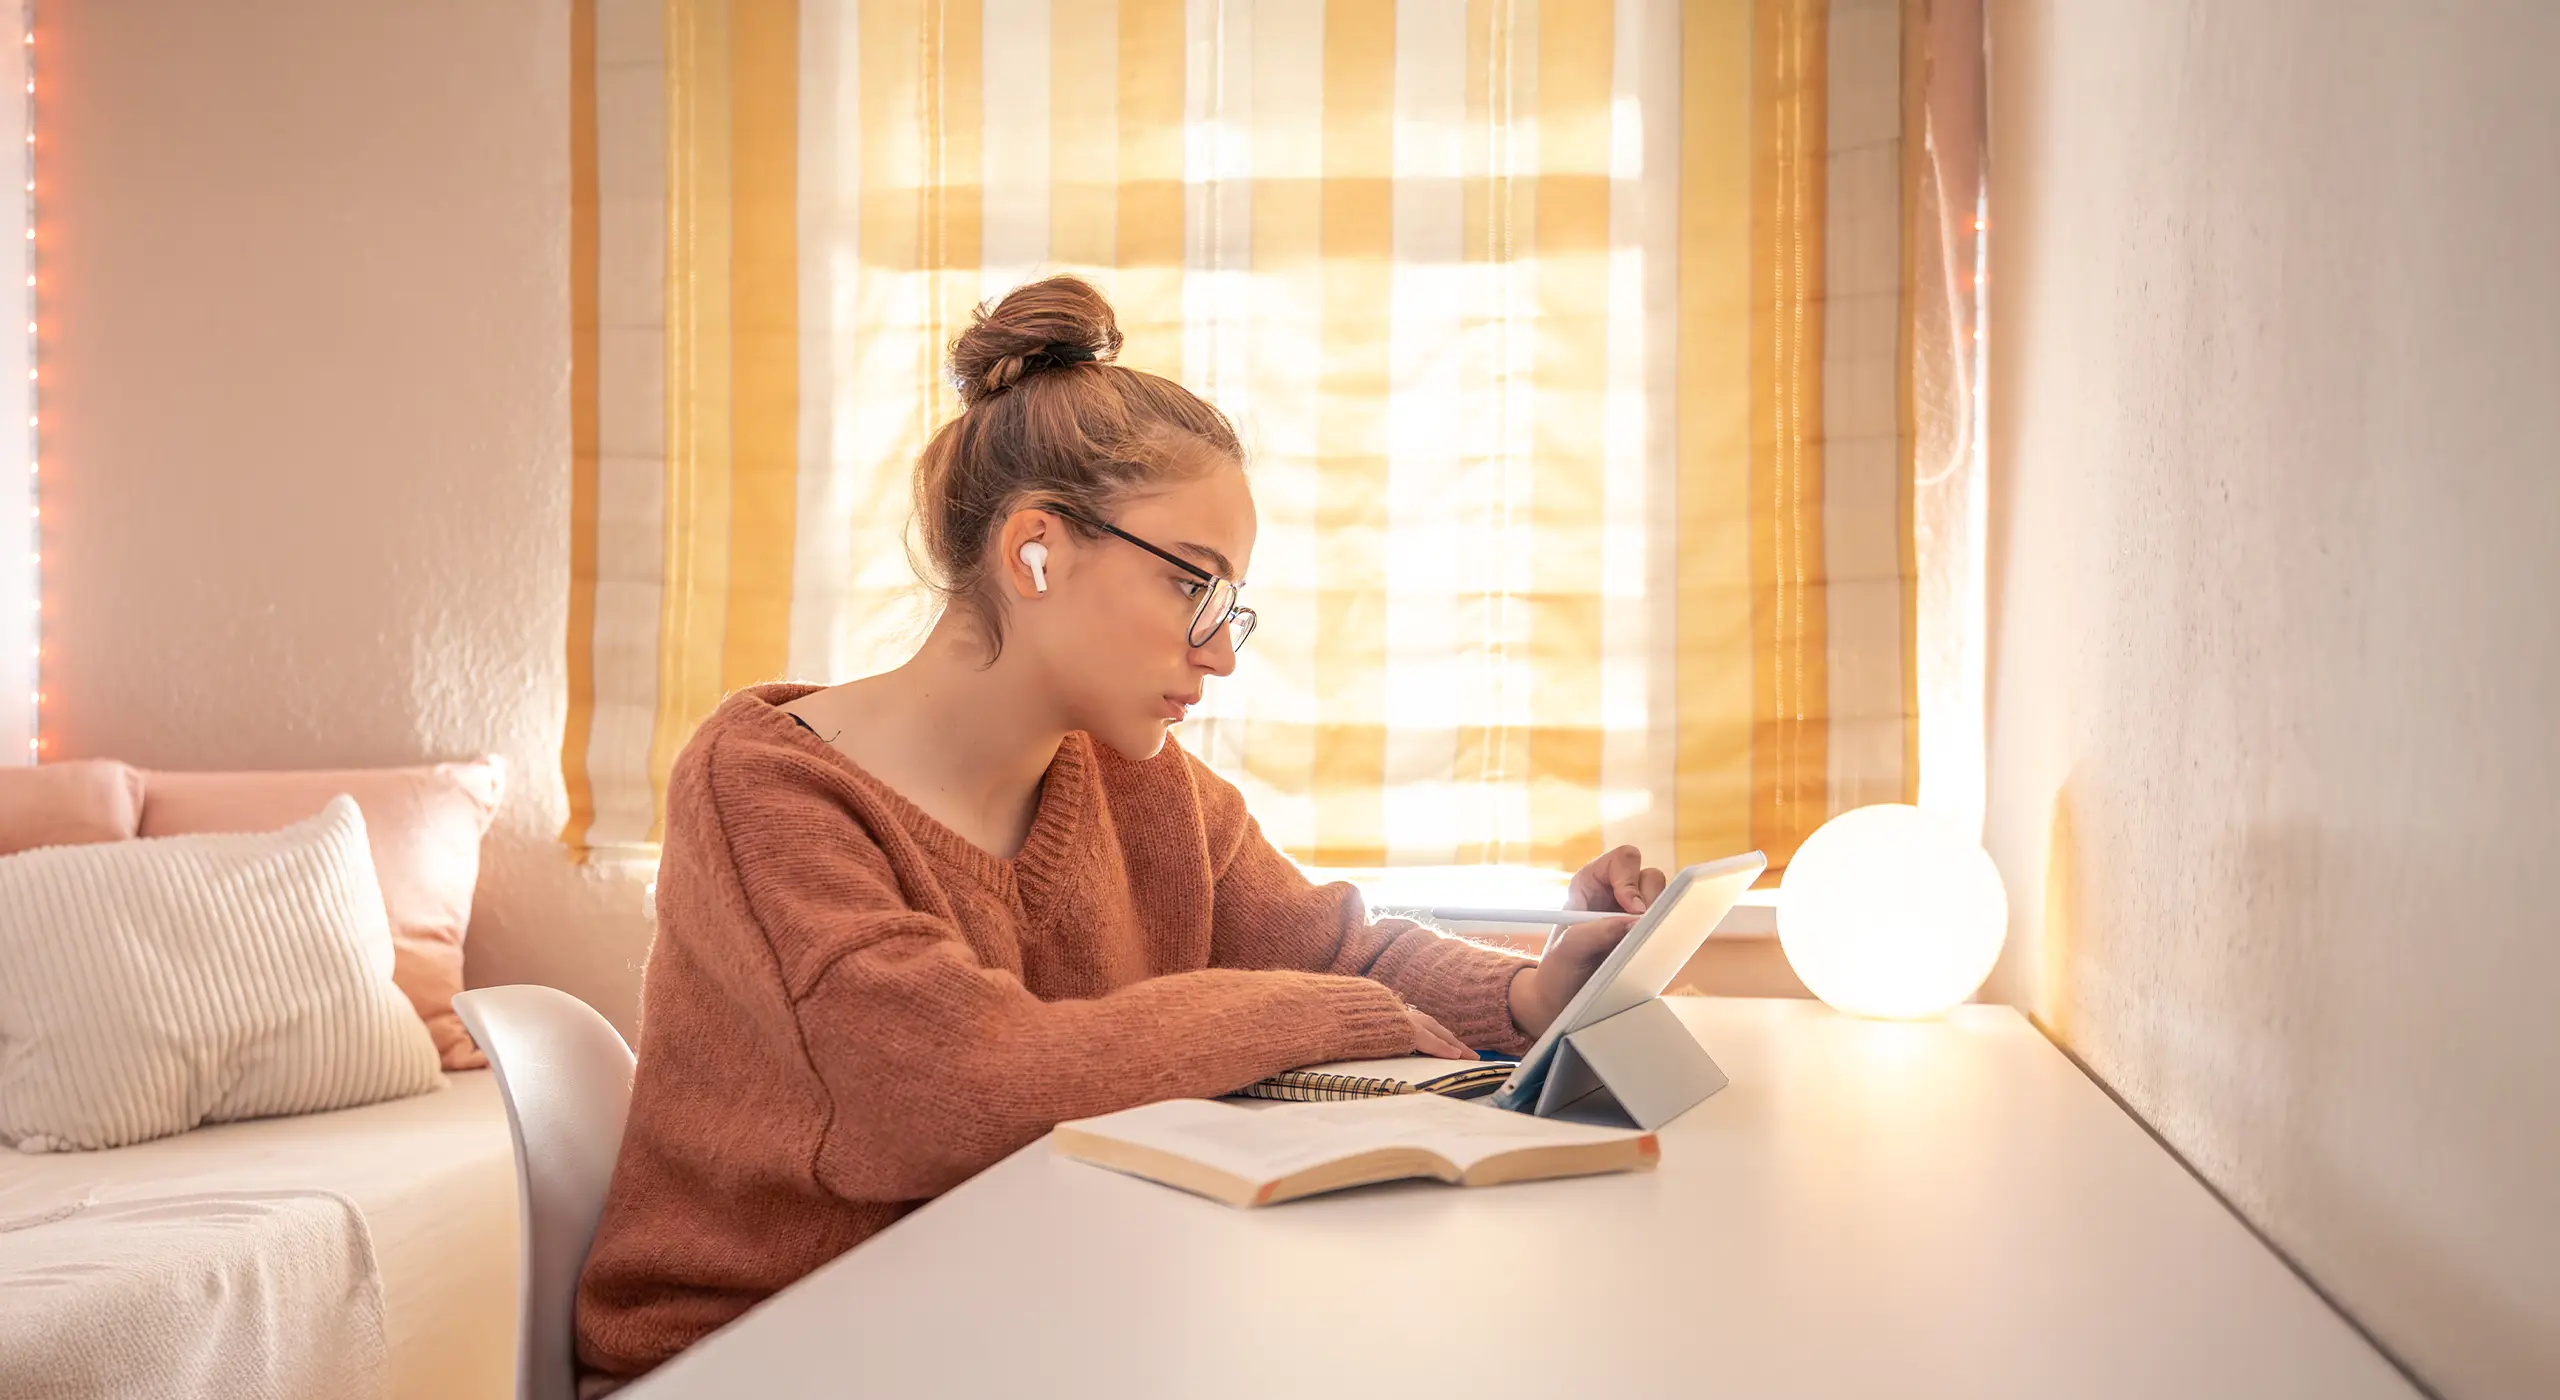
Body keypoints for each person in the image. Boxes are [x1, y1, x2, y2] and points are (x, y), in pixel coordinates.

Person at [573, 276, 1670, 1388]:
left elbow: (1335, 949)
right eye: (1193, 585)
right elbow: (957, 1089)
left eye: (1229, 605)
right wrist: (1325, 1014)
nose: (1220, 652)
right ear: (1035, 551)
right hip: (764, 1353)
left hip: (1016, 1321)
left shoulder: (1139, 783)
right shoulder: (766, 788)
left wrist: (1532, 993)